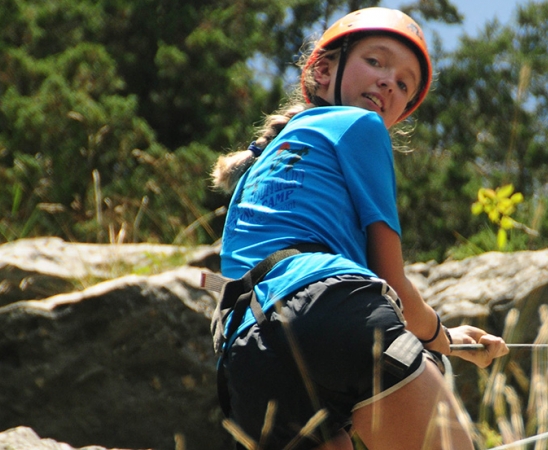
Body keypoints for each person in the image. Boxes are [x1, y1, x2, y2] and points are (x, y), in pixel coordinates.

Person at [209, 7, 508, 450]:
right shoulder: (361, 125)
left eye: (403, 83)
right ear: (325, 72)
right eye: (376, 62)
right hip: (334, 313)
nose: (390, 80)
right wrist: (444, 339)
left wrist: (450, 341)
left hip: (248, 352)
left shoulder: (259, 166)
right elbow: (393, 283)